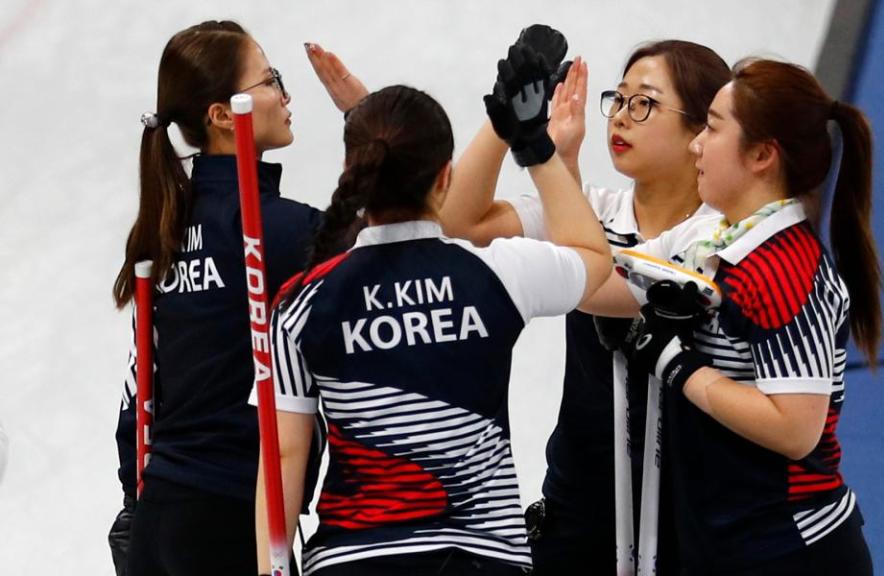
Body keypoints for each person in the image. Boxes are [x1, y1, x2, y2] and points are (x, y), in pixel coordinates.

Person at [254, 50, 611, 575]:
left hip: (352, 561)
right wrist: (535, 146)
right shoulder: (497, 273)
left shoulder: (299, 301)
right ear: (446, 179)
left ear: (352, 173)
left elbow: (284, 457)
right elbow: (593, 256)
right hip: (481, 558)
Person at [439, 36, 730, 573]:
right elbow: (458, 223)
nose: (620, 117)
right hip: (580, 501)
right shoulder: (593, 209)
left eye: (642, 102)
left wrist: (547, 158)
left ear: (700, 131)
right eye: (616, 100)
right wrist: (503, 119)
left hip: (686, 508)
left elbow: (600, 285)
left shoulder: (717, 234)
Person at [624, 58, 880, 575]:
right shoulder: (720, 241)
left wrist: (677, 365)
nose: (696, 144)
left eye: (713, 128)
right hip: (728, 543)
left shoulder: (784, 269)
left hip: (787, 548)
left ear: (762, 155)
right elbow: (606, 280)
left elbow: (795, 429)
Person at [109, 20, 323, 576]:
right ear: (224, 115)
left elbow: (138, 384)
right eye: (271, 79)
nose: (285, 93)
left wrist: (138, 506)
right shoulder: (271, 230)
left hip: (158, 518)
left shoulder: (165, 227)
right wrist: (365, 115)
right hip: (234, 523)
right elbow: (400, 230)